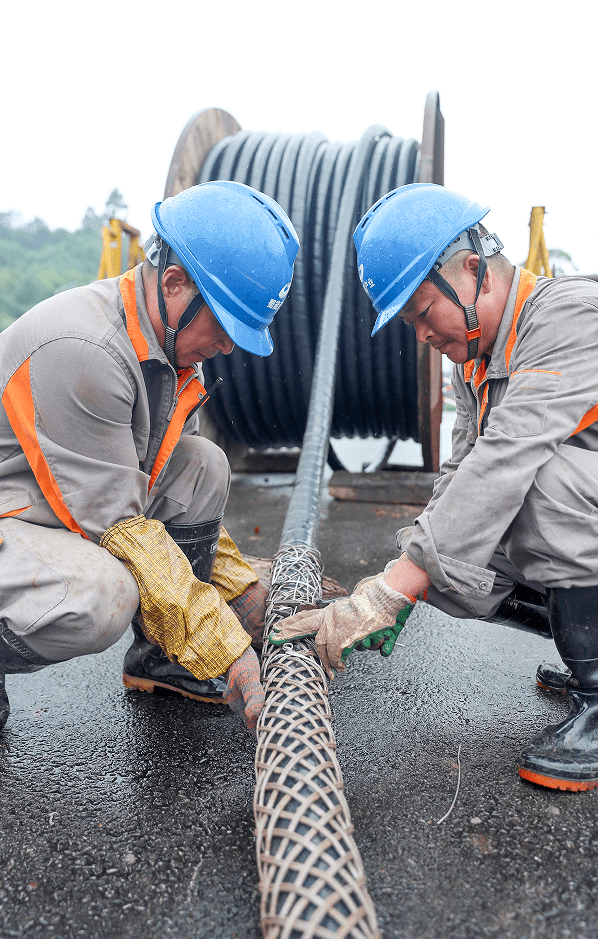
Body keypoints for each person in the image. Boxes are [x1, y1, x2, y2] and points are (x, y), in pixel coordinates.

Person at [272, 182, 598, 792]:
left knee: (536, 490)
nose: (421, 335)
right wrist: (408, 578)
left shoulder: (570, 317)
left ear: (474, 272)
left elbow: (504, 461)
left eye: (423, 313)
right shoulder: (476, 358)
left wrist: (391, 590)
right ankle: (590, 660)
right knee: (448, 551)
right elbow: (460, 474)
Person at [0, 180, 299, 745]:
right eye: (223, 327)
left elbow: (159, 497)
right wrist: (229, 648)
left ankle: (161, 657)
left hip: (59, 497)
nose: (228, 347)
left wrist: (239, 593)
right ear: (174, 285)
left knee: (202, 464)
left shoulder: (165, 349)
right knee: (101, 595)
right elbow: (125, 530)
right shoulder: (86, 349)